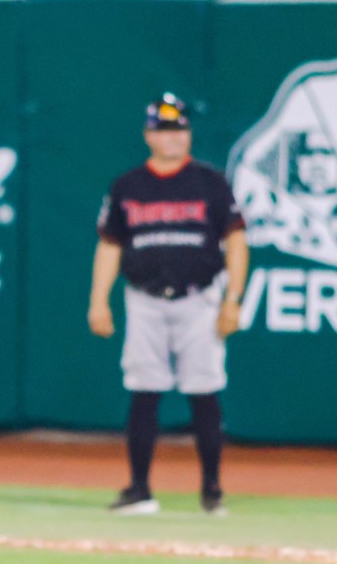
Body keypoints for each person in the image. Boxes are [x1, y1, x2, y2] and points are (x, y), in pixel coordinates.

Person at [88, 93, 249, 516]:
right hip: (144, 298)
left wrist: (233, 298)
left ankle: (212, 492)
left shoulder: (209, 182)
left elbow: (236, 241)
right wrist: (98, 300)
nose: (174, 137)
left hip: (200, 299)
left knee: (204, 391)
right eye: (164, 130)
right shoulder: (128, 186)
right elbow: (109, 245)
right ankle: (140, 490)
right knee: (143, 389)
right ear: (148, 135)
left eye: (180, 129)